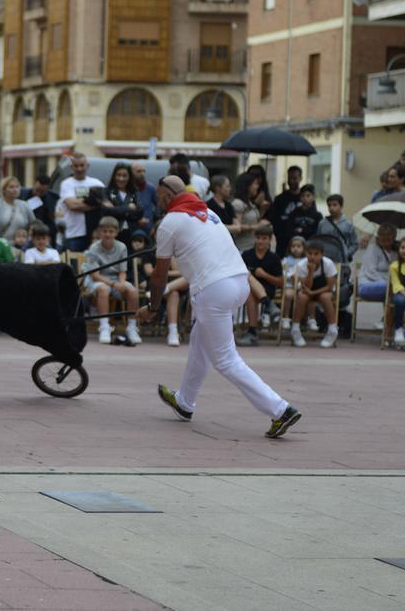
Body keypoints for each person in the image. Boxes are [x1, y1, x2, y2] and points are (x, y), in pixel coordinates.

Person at [140, 175, 301, 437]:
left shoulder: (170, 221)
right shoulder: (208, 212)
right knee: (200, 342)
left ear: (168, 196)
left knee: (226, 360)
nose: (158, 202)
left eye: (159, 197)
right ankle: (185, 402)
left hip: (213, 290)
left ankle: (281, 410)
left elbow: (159, 276)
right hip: (239, 283)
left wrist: (153, 306)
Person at [84, 216, 141, 345]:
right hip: (97, 280)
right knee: (103, 289)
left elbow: (122, 271)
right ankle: (104, 326)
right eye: (104, 231)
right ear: (99, 233)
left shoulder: (122, 247)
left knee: (132, 290)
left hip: (116, 279)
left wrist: (121, 284)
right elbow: (95, 275)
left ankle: (132, 327)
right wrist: (115, 284)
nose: (108, 234)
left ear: (116, 232)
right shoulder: (94, 248)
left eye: (111, 231)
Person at [237, 226, 283, 347]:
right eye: (258, 238)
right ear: (254, 239)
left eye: (264, 238)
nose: (261, 241)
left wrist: (265, 275)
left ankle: (252, 333)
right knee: (248, 280)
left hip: (268, 289)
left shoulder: (274, 258)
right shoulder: (246, 255)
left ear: (269, 240)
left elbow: (280, 282)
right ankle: (269, 305)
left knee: (251, 290)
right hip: (247, 289)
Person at [288, 240, 339, 348]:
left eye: (316, 254)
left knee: (325, 298)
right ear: (306, 253)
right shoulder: (301, 265)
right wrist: (310, 272)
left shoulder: (328, 264)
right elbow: (306, 286)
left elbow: (329, 287)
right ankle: (295, 330)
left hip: (324, 290)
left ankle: (332, 330)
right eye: (310, 253)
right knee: (301, 297)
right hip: (307, 289)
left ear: (322, 254)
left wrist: (314, 292)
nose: (312, 257)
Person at [57, 152, 104, 253]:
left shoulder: (97, 183)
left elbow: (106, 204)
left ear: (87, 166)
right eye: (76, 166)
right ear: (71, 167)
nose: (79, 169)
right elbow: (72, 205)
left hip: (95, 235)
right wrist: (95, 204)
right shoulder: (66, 184)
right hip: (74, 234)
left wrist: (80, 203)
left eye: (82, 165)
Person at [93, 163, 145, 237]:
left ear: (129, 177)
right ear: (114, 176)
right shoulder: (106, 192)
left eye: (124, 176)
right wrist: (128, 208)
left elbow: (140, 212)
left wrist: (115, 209)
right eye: (118, 175)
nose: (121, 178)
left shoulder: (134, 193)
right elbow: (106, 211)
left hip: (132, 234)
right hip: (112, 234)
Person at [265, 165, 302, 257]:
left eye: (295, 178)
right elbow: (273, 218)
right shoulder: (279, 199)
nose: (292, 181)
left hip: (300, 241)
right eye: (289, 178)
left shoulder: (305, 198)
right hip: (282, 241)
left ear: (300, 178)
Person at [0, 176, 35, 241]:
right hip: (0, 246)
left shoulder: (25, 205)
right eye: (11, 187)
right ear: (3, 190)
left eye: (17, 187)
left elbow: (33, 225)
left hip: (20, 247)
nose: (15, 190)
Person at [231, 172, 271, 252]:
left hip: (252, 247)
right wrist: (257, 227)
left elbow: (253, 220)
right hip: (242, 248)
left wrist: (262, 210)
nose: (257, 187)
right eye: (255, 184)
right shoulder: (238, 203)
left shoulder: (250, 203)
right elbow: (237, 227)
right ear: (247, 186)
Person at [358, 223, 397, 303]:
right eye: (382, 235)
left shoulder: (395, 253)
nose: (385, 237)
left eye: (388, 235)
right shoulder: (373, 249)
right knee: (393, 288)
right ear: (378, 237)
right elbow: (370, 272)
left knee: (401, 290)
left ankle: (389, 315)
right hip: (367, 284)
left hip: (387, 286)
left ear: (394, 237)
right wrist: (388, 281)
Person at [315, 194, 358, 263]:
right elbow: (318, 241)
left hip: (342, 260)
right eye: (329, 205)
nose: (331, 208)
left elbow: (354, 243)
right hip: (325, 259)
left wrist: (347, 253)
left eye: (335, 205)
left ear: (341, 206)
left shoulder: (348, 224)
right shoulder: (322, 223)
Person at [24, 174, 58, 240]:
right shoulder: (24, 196)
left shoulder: (54, 198)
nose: (38, 194)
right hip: (27, 234)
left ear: (48, 189)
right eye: (36, 190)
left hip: (47, 235)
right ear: (34, 184)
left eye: (42, 192)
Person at [129, 161, 157, 233]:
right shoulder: (126, 189)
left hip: (148, 230)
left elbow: (159, 206)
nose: (142, 174)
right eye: (139, 171)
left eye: (144, 171)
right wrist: (137, 220)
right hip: (131, 229)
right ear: (131, 173)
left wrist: (155, 225)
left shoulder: (151, 188)